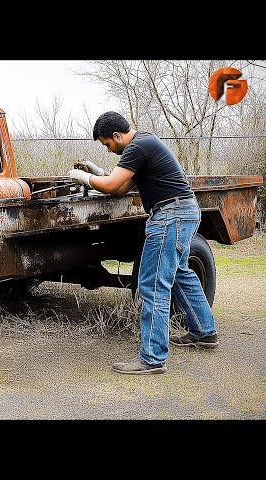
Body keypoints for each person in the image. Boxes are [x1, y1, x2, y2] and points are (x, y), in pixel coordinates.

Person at [67, 111, 218, 375]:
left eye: (107, 144)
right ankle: (204, 332)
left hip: (170, 217)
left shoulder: (137, 146)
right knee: (181, 274)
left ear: (116, 136)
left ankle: (152, 358)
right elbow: (120, 187)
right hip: (184, 212)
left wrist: (83, 178)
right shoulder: (144, 143)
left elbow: (113, 183)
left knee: (153, 285)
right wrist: (97, 172)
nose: (109, 149)